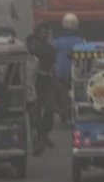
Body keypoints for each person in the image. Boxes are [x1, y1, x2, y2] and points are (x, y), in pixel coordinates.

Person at [52, 13, 84, 123]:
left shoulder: (57, 42)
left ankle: (60, 107)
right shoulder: (81, 42)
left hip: (61, 74)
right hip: (77, 74)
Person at [32, 25, 56, 155]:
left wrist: (51, 72)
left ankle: (45, 135)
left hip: (48, 84)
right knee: (36, 113)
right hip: (36, 84)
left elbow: (54, 63)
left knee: (50, 110)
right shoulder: (34, 49)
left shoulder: (50, 48)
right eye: (42, 32)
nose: (45, 35)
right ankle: (40, 137)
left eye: (46, 33)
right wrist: (43, 73)